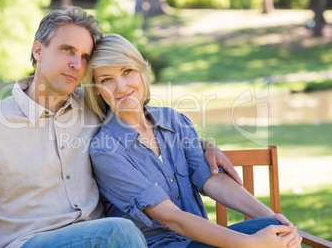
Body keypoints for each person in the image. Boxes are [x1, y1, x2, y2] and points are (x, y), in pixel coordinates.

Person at [0, 6, 237, 248]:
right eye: (67, 50)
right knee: (117, 233)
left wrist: (203, 145)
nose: (75, 63)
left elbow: (149, 121)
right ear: (38, 51)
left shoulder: (96, 105)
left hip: (104, 241)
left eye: (84, 57)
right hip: (34, 242)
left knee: (268, 230)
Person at [84, 33, 303, 248]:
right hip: (163, 245)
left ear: (142, 72)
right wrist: (250, 243)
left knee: (274, 228)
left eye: (127, 71)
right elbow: (171, 218)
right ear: (97, 91)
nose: (121, 87)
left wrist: (277, 219)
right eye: (106, 80)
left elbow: (213, 180)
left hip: (202, 241)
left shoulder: (174, 121)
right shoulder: (105, 151)